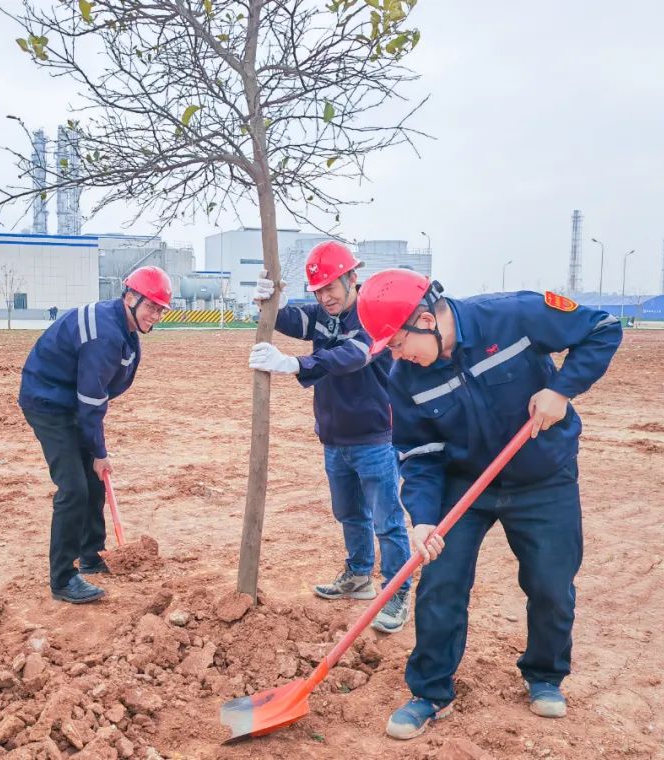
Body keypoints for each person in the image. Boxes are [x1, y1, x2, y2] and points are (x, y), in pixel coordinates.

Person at [355, 270, 622, 739]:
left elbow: (601, 328)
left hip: (543, 477)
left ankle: (544, 676)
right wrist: (423, 520)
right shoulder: (405, 378)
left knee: (550, 584)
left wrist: (561, 390)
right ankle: (430, 692)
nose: (397, 356)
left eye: (398, 343)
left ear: (425, 318)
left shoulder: (512, 315)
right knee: (441, 583)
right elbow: (418, 454)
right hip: (465, 483)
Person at [248, 242, 413, 634]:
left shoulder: (372, 314)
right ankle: (358, 576)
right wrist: (268, 302)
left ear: (352, 278)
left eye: (331, 287)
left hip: (375, 438)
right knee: (349, 513)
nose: (326, 296)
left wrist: (295, 364)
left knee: (387, 521)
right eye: (319, 290)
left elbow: (352, 357)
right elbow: (291, 320)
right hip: (335, 438)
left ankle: (396, 591)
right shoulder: (323, 315)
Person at [19, 266, 172, 604]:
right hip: (47, 401)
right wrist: (99, 451)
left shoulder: (125, 328)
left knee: (93, 479)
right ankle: (62, 578)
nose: (156, 316)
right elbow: (92, 401)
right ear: (130, 297)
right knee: (73, 487)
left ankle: (91, 555)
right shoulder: (105, 333)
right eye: (151, 307)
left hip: (72, 402)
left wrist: (96, 454)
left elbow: (95, 397)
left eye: (161, 310)